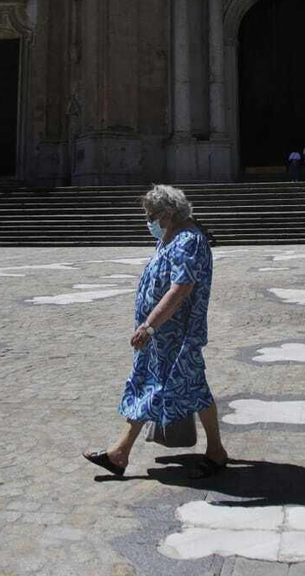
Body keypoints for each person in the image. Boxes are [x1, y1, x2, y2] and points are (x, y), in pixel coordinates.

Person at [84, 184, 229, 480]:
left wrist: (150, 325)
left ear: (168, 213)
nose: (148, 221)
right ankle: (120, 452)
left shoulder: (188, 241)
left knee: (193, 389)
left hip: (176, 334)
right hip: (161, 336)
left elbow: (182, 287)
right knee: (149, 384)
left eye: (151, 215)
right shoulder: (170, 237)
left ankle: (215, 452)